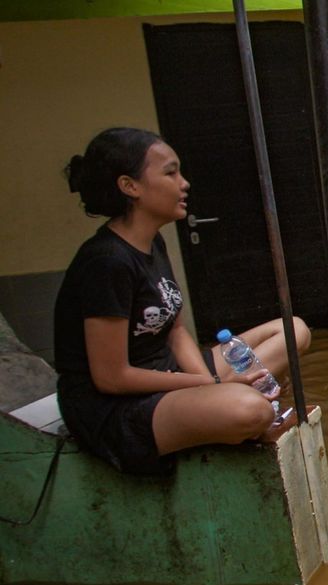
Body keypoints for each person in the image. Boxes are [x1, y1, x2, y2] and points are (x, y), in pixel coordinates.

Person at [55, 127, 310, 475]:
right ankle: (223, 416)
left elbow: (174, 330)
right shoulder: (106, 262)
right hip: (116, 407)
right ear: (130, 186)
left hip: (167, 372)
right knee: (252, 411)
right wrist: (210, 387)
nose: (184, 183)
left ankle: (214, 411)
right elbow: (111, 377)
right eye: (170, 172)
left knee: (293, 331)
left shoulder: (153, 243)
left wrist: (208, 383)